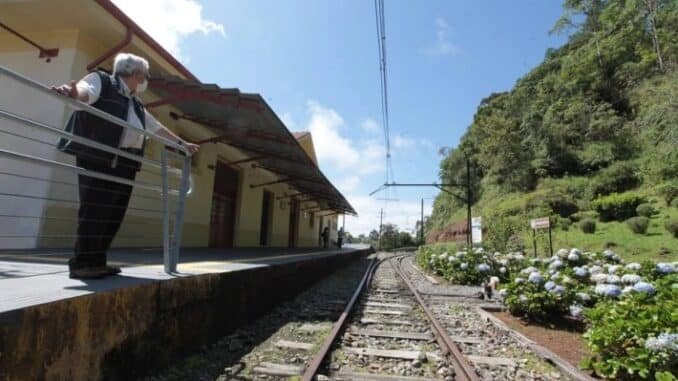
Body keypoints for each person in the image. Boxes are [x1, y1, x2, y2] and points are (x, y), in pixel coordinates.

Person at [52, 53, 200, 279]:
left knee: (113, 214)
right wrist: (74, 94)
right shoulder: (102, 81)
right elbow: (85, 92)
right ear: (137, 74)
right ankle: (82, 264)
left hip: (126, 164)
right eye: (144, 77)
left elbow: (156, 128)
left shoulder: (136, 104)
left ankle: (98, 262)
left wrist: (182, 144)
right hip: (101, 157)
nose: (144, 81)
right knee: (95, 210)